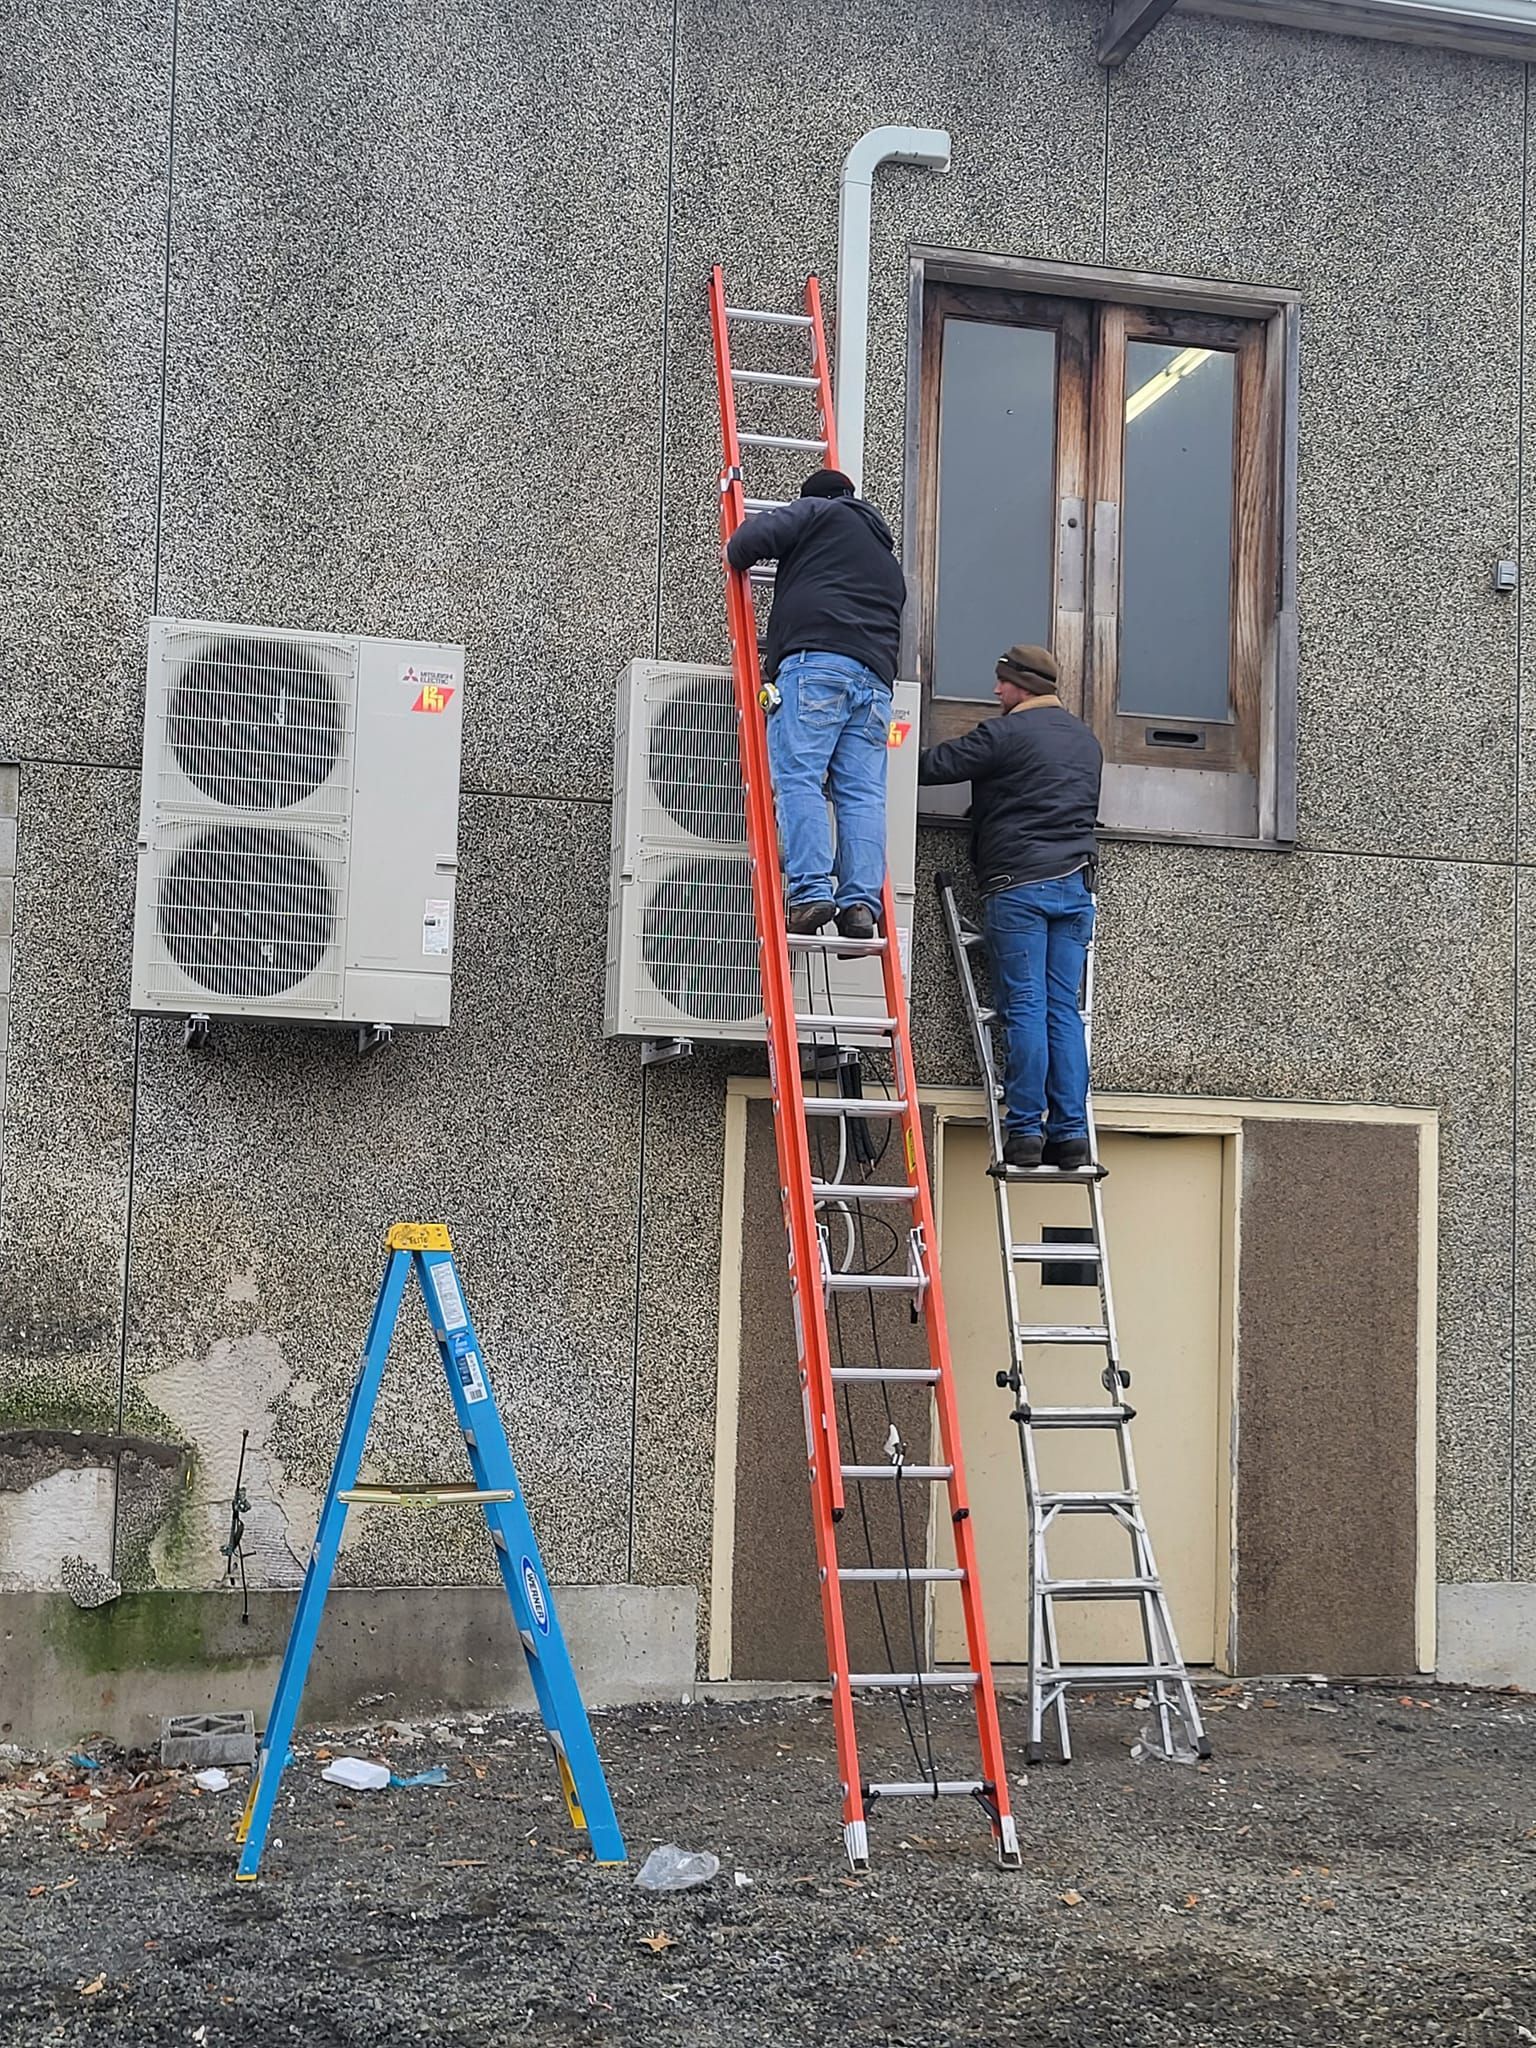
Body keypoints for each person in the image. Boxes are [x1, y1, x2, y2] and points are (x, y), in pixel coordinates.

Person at [918, 644, 1103, 1173]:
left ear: (1021, 685)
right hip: (1074, 888)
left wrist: (880, 736)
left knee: (1024, 1007)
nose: (996, 691)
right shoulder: (1085, 740)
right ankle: (1070, 1138)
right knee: (1062, 1011)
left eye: (1002, 683)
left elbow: (934, 766)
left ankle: (1024, 1131)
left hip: (1019, 886)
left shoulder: (1005, 734)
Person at [726, 468, 906, 943]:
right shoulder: (887, 561)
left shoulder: (819, 512)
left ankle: (808, 893)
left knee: (798, 778)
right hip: (875, 687)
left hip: (816, 669)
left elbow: (744, 544)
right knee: (863, 796)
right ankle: (861, 905)